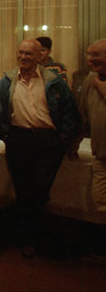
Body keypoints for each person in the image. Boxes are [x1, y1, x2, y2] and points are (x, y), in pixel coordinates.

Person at [0, 39, 80, 258]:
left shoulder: (53, 80)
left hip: (48, 141)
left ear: (39, 56)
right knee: (23, 189)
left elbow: (71, 110)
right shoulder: (6, 81)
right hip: (18, 140)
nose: (23, 57)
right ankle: (29, 239)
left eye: (29, 54)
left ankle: (27, 234)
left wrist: (63, 137)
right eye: (21, 53)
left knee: (39, 188)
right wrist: (5, 135)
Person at [75, 39, 106, 213]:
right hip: (102, 158)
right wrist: (75, 143)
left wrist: (102, 89)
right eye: (88, 54)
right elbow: (82, 115)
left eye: (96, 55)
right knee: (101, 205)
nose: (90, 59)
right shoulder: (90, 79)